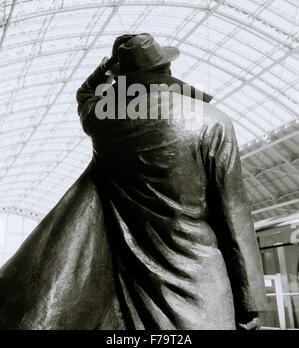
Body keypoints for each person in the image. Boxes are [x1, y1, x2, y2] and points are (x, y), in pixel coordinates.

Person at [0, 33, 266, 330]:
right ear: (167, 70)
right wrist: (250, 301)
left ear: (122, 81)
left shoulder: (104, 123)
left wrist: (106, 68)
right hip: (203, 293)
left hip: (136, 289)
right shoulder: (214, 122)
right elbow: (235, 217)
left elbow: (85, 94)